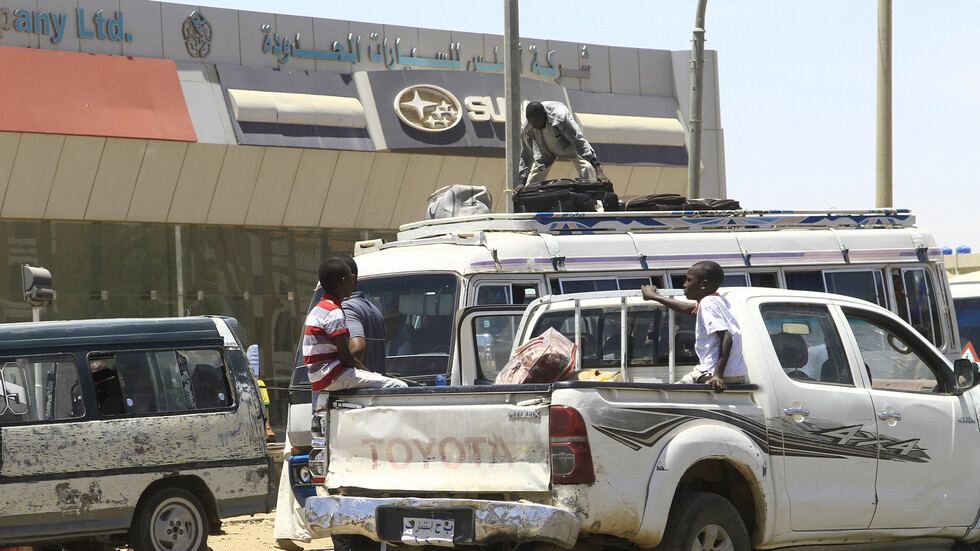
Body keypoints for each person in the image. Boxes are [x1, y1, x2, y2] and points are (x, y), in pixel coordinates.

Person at [304, 258, 405, 403]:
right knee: (399, 386)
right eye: (351, 279)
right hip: (333, 375)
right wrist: (370, 373)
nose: (354, 283)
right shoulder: (334, 312)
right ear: (344, 281)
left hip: (318, 377)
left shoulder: (318, 309)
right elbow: (346, 357)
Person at [640, 261, 747, 392]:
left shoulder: (707, 303)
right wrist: (654, 296)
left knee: (669, 393)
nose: (684, 284)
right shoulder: (718, 301)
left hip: (713, 372)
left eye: (689, 280)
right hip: (736, 372)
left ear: (703, 284)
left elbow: (727, 337)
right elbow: (686, 308)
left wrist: (717, 375)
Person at [518, 100, 609, 188]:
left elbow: (578, 141)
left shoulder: (560, 117)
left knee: (587, 168)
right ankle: (528, 200)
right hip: (544, 149)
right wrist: (522, 182)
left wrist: (598, 170)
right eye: (533, 123)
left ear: (545, 114)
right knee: (530, 184)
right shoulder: (526, 127)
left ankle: (593, 198)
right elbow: (526, 154)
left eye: (538, 121)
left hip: (567, 144)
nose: (535, 125)